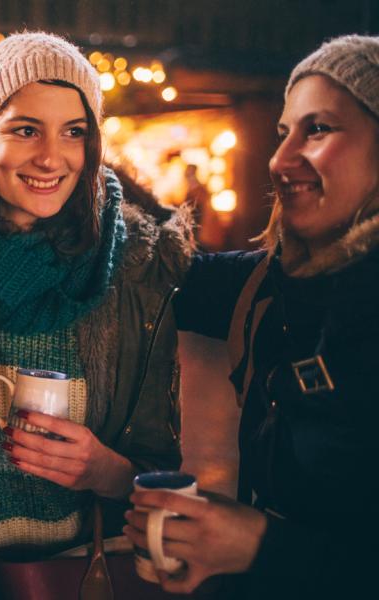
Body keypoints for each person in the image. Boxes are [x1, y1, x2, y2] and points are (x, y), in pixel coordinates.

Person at [0, 31, 194, 585]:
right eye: (24, 129)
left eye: (74, 132)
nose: (51, 156)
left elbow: (158, 462)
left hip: (76, 570)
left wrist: (106, 473)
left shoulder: (135, 268)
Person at [125, 35, 379, 599]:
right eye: (283, 133)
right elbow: (161, 261)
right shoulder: (275, 280)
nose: (281, 160)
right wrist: (74, 163)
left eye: (318, 129)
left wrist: (262, 545)